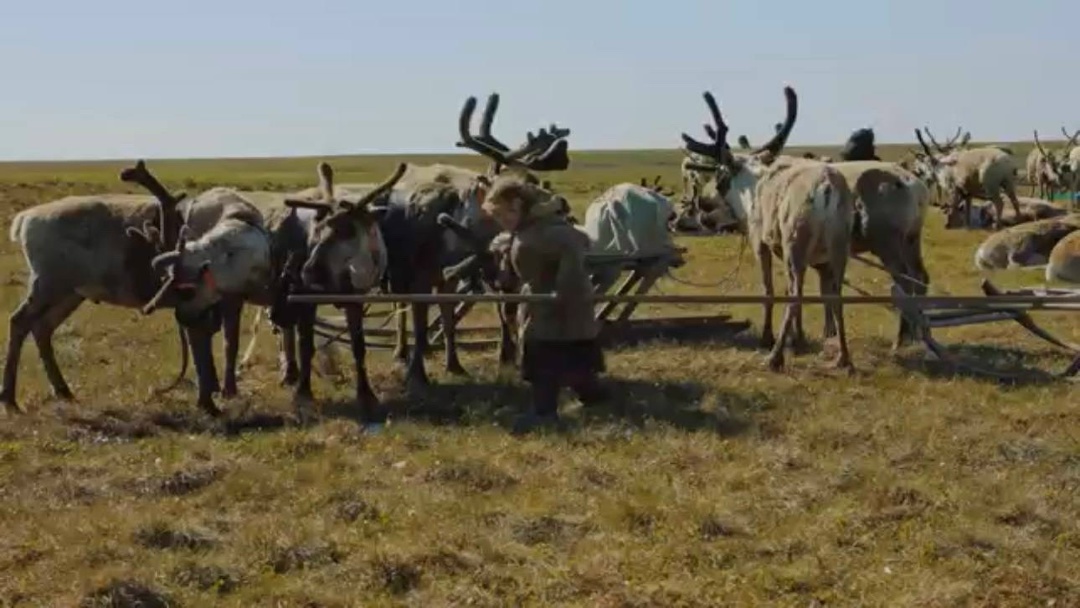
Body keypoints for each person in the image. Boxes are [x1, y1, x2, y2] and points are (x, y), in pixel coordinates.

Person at [481, 173, 609, 434]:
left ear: (517, 205)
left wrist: (562, 291)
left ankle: (545, 413)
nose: (500, 221)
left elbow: (575, 247)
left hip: (561, 304)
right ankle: (588, 400)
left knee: (548, 360)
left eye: (502, 214)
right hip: (540, 302)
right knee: (565, 360)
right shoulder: (525, 230)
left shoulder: (551, 230)